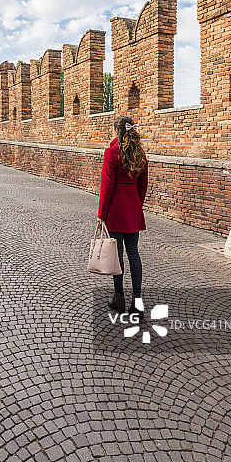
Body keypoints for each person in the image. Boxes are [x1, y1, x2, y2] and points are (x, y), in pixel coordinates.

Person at [97, 116, 148, 315]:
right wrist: (137, 205)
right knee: (133, 252)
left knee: (117, 255)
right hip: (133, 208)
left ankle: (119, 298)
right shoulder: (140, 154)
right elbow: (143, 185)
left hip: (115, 211)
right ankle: (137, 304)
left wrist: (101, 214)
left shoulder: (111, 153)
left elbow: (107, 186)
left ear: (116, 132)